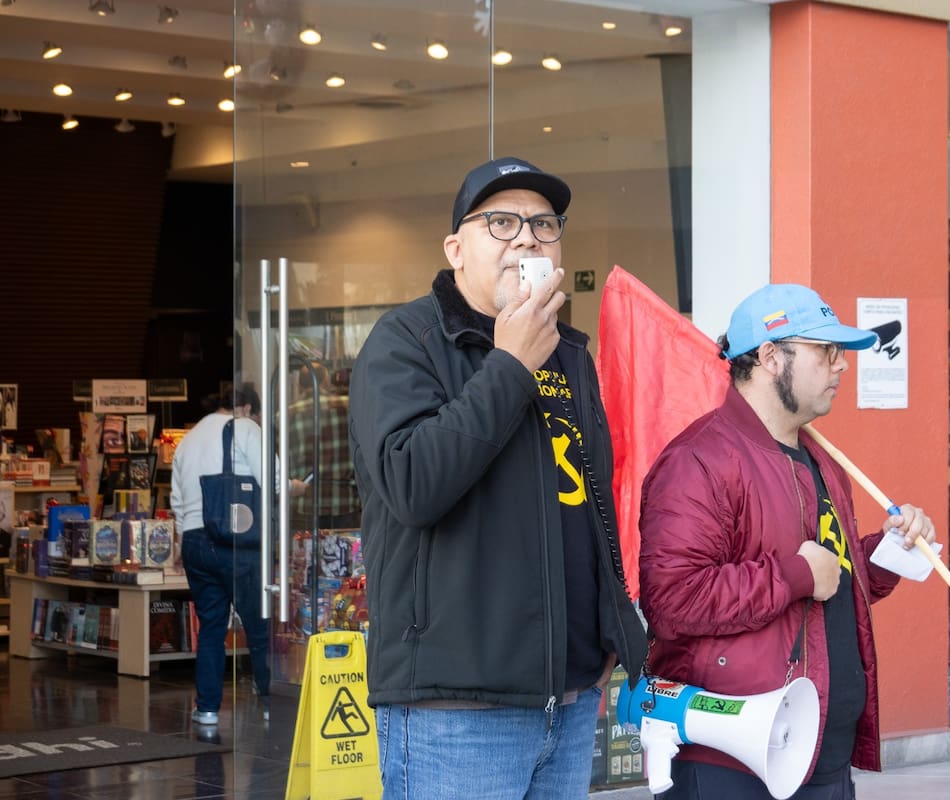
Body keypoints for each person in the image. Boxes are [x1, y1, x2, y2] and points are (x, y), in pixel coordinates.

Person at [348, 156, 648, 800]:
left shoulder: (569, 353)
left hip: (566, 700)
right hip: (456, 709)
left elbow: (590, 502)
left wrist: (611, 635)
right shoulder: (406, 342)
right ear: (456, 249)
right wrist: (510, 363)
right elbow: (413, 484)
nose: (527, 238)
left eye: (544, 225)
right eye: (502, 222)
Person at [638, 284, 937, 799]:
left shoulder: (822, 460)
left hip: (821, 753)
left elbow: (831, 579)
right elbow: (671, 599)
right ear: (771, 357)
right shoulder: (698, 460)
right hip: (732, 760)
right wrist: (794, 576)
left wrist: (887, 553)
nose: (841, 366)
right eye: (826, 351)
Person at [171, 386, 289, 726]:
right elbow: (275, 483)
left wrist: (181, 543)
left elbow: (178, 501)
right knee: (258, 624)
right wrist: (297, 488)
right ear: (247, 407)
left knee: (210, 626)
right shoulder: (246, 428)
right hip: (236, 539)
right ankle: (269, 700)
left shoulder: (188, 438)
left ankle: (207, 708)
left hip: (195, 541)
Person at [288, 362, 360, 530]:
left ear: (299, 384)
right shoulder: (349, 407)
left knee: (305, 554)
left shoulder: (285, 415)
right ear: (326, 381)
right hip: (346, 501)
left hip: (304, 503)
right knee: (345, 554)